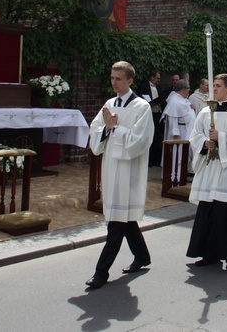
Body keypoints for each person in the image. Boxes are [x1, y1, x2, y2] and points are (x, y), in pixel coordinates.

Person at [86, 61, 154, 289]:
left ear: (130, 80)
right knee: (124, 219)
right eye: (112, 77)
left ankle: (101, 272)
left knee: (116, 223)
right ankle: (142, 257)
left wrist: (115, 128)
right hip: (111, 168)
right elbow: (95, 133)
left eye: (118, 78)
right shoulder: (108, 104)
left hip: (129, 171)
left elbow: (141, 141)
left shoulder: (142, 107)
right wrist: (106, 128)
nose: (114, 82)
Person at [187, 74, 227, 270]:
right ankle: (209, 254)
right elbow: (194, 135)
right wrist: (205, 143)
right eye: (213, 86)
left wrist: (221, 138)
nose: (214, 89)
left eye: (218, 86)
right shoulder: (206, 113)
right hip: (209, 169)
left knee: (225, 217)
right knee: (207, 215)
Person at [160, 79, 195, 173]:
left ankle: (181, 174)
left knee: (183, 154)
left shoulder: (183, 99)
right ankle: (175, 175)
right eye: (188, 88)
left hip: (186, 129)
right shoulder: (174, 101)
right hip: (180, 131)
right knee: (177, 154)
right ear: (183, 89)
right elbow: (172, 118)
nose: (189, 90)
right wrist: (176, 133)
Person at [137, 69, 166, 168]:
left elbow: (163, 97)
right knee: (149, 135)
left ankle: (155, 160)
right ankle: (148, 160)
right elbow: (141, 98)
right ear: (152, 77)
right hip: (149, 113)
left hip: (158, 113)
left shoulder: (159, 87)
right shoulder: (144, 86)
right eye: (157, 78)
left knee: (157, 136)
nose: (158, 80)